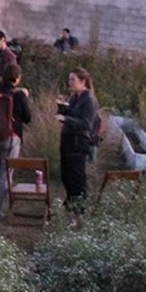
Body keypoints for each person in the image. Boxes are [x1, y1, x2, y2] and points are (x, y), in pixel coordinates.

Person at [0, 64, 34, 221]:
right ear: (17, 78)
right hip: (11, 137)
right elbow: (28, 118)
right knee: (5, 174)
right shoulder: (19, 95)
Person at [57, 67, 100, 206]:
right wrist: (62, 107)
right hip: (68, 140)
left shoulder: (89, 99)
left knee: (76, 178)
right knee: (66, 175)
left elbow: (87, 123)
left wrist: (66, 119)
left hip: (78, 142)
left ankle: (78, 210)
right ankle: (70, 206)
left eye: (73, 79)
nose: (70, 82)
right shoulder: (75, 97)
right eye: (69, 79)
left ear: (83, 81)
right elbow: (71, 113)